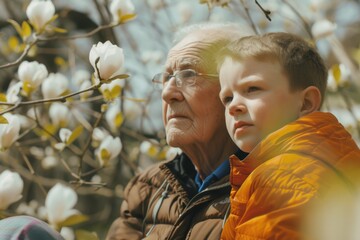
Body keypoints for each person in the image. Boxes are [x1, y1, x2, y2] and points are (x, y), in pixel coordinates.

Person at [106, 23, 252, 240]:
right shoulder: (147, 187)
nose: (167, 93)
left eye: (189, 74)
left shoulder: (268, 187)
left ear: (235, 91)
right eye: (166, 78)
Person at [217, 32, 360, 240]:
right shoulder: (334, 161)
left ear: (306, 103)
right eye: (227, 98)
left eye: (252, 89)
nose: (234, 107)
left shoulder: (282, 176)